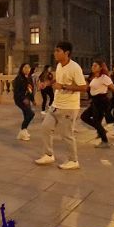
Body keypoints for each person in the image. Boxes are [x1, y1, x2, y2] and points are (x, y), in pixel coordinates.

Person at [34, 41, 87, 170]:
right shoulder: (59, 65)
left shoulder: (75, 67)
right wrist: (47, 83)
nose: (55, 53)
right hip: (56, 104)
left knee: (66, 135)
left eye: (58, 51)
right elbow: (58, 80)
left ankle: (73, 160)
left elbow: (83, 87)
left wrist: (63, 86)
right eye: (55, 50)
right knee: (45, 128)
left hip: (69, 107)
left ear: (66, 53)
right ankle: (48, 154)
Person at [81, 60, 114, 148]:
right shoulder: (94, 77)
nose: (93, 67)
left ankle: (104, 141)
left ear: (100, 68)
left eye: (95, 66)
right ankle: (102, 131)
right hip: (95, 101)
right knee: (84, 117)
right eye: (92, 65)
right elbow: (89, 88)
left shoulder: (104, 77)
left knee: (96, 120)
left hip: (101, 101)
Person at [12, 63, 35, 141]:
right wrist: (23, 99)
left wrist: (32, 100)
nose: (27, 69)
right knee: (31, 114)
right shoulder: (19, 78)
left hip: (27, 99)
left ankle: (24, 131)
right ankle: (22, 131)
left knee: (26, 115)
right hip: (19, 99)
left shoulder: (29, 78)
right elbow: (16, 92)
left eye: (28, 67)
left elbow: (31, 90)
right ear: (21, 69)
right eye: (25, 67)